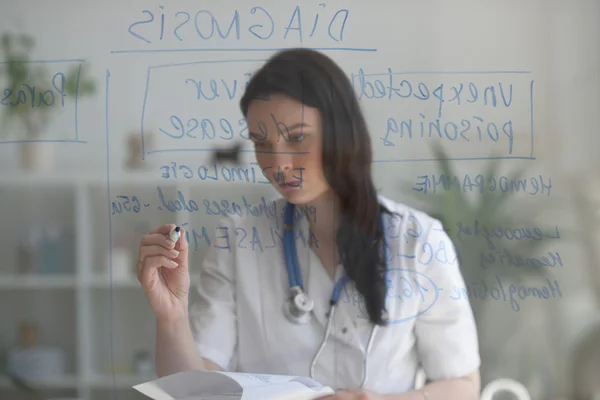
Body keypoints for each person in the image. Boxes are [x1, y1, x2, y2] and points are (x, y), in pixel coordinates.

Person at [136, 48, 481, 400]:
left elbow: (463, 385)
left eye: (297, 137)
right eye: (261, 143)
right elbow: (198, 392)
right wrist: (172, 316)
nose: (279, 163)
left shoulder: (419, 241)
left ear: (341, 132)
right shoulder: (238, 239)